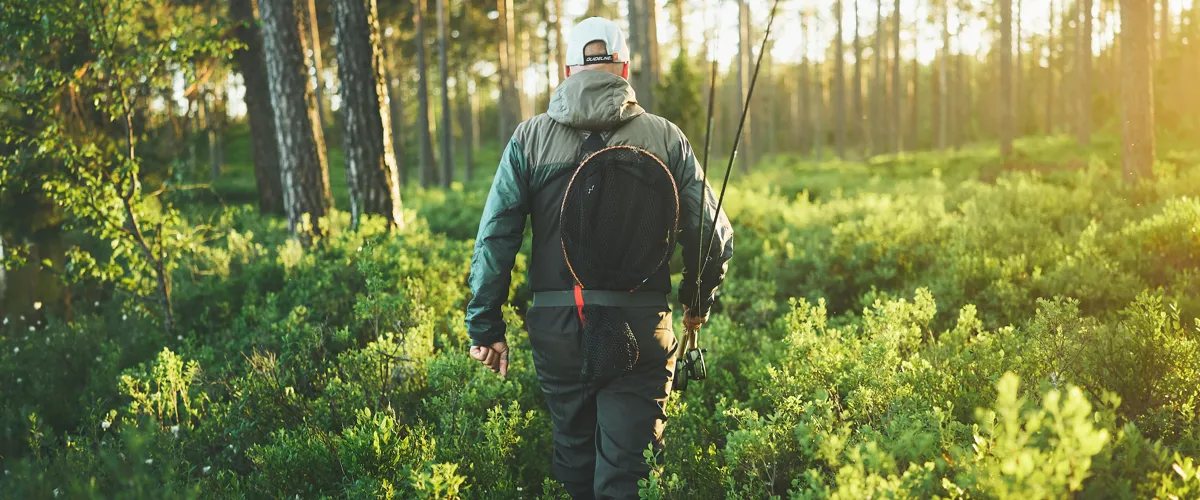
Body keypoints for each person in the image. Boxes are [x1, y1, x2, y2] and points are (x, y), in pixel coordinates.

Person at [464, 16, 734, 500]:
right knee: (629, 477)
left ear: (567, 70)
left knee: (574, 465)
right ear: (624, 68)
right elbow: (713, 236)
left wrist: (486, 328)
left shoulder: (528, 139)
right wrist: (697, 302)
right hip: (641, 324)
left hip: (557, 326)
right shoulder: (665, 136)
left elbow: (495, 237)